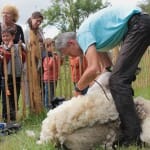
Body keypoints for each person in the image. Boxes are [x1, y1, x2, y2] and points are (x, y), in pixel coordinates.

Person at [55, 5, 150, 147]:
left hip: (138, 24)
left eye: (69, 53)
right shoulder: (95, 40)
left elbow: (92, 68)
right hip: (139, 24)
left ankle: (132, 135)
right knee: (118, 79)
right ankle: (130, 121)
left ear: (71, 43)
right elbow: (107, 67)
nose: (71, 56)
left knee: (118, 81)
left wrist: (78, 89)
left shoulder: (83, 35)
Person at [0, 27, 26, 121]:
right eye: (3, 36)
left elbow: (23, 58)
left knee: (15, 96)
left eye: (7, 36)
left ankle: (13, 117)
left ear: (13, 36)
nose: (5, 38)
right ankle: (6, 117)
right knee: (7, 98)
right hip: (6, 77)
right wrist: (8, 48)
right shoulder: (1, 48)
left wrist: (21, 47)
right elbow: (4, 57)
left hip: (17, 76)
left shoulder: (18, 47)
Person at [24, 11, 44, 113]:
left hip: (38, 61)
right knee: (29, 85)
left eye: (40, 21)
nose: (38, 23)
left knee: (38, 84)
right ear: (32, 18)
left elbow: (43, 42)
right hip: (29, 62)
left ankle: (38, 107)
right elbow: (23, 45)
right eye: (37, 21)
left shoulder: (40, 30)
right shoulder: (26, 31)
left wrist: (41, 44)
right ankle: (30, 108)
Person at [43, 38, 61, 109]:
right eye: (51, 46)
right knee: (48, 94)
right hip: (48, 79)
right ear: (47, 47)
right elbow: (48, 67)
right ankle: (47, 108)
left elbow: (59, 64)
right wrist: (53, 58)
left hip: (54, 78)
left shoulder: (54, 55)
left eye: (53, 46)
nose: (53, 47)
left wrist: (58, 57)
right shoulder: (46, 57)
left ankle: (52, 107)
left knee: (52, 94)